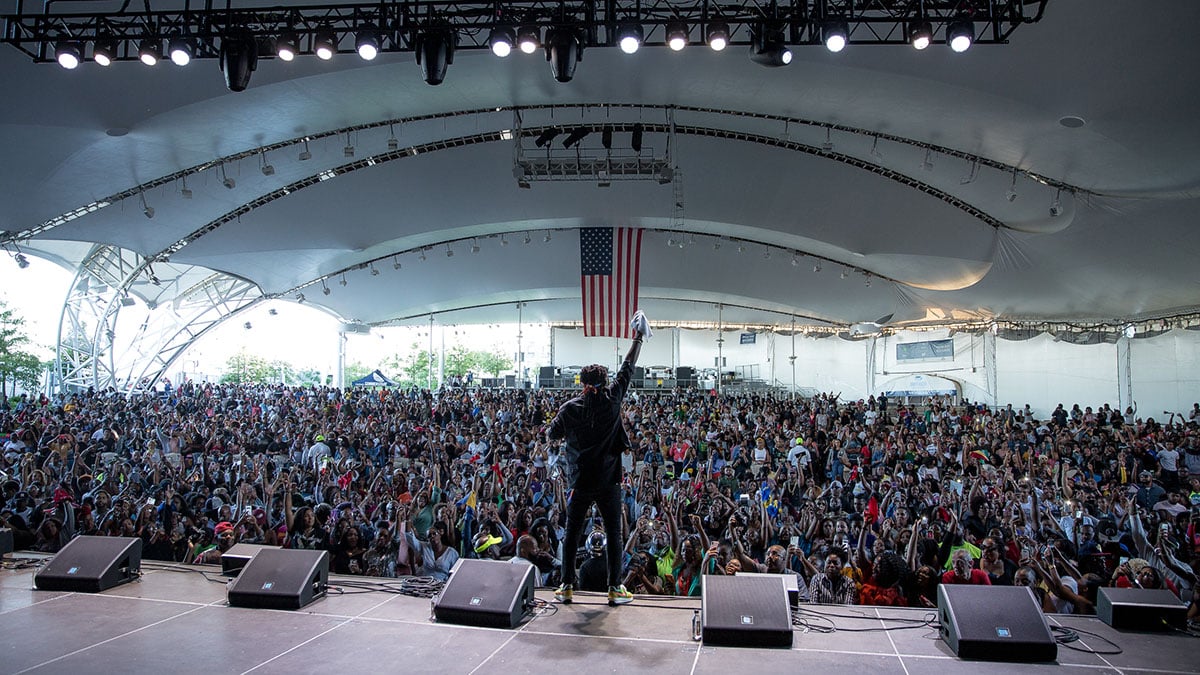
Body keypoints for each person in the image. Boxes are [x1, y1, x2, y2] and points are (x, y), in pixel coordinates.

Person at [546, 311, 647, 606]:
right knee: (614, 534)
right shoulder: (613, 399)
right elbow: (628, 366)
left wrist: (570, 437)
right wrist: (638, 337)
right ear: (604, 382)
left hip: (580, 479)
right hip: (608, 480)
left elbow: (552, 434)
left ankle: (566, 585)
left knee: (573, 531)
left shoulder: (569, 408)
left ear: (582, 382)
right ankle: (615, 588)